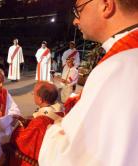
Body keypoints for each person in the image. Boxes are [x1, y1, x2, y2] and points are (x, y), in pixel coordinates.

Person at [39, 0, 138, 165]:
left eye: (78, 10)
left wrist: (54, 128)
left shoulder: (118, 66)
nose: (75, 20)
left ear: (106, 5)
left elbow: (68, 158)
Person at [8, 81, 64, 166]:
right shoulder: (60, 111)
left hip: (35, 159)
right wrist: (27, 122)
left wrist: (18, 127)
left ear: (40, 100)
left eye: (34, 94)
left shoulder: (40, 122)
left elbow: (21, 142)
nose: (33, 95)